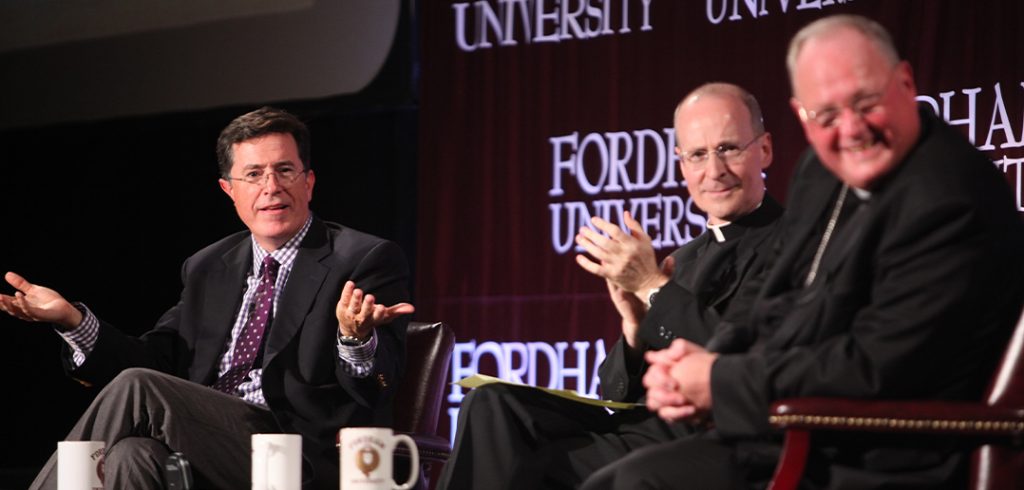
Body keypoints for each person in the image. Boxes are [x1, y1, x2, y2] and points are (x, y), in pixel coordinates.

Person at [583, 14, 1024, 489]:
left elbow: (873, 367)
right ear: (803, 117)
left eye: (867, 102)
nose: (851, 129)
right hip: (794, 426)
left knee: (633, 483)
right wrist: (706, 360)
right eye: (827, 115)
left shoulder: (948, 198)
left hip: (882, 452)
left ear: (906, 82)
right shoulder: (822, 169)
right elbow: (774, 303)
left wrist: (721, 381)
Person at [0, 107, 415, 489]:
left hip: (300, 454)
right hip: (207, 445)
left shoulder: (363, 259)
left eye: (285, 170)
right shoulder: (209, 265)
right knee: (132, 455)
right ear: (228, 189)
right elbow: (154, 361)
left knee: (140, 390)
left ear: (308, 182)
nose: (271, 187)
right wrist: (72, 320)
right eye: (253, 174)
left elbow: (378, 388)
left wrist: (356, 340)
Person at [437, 83, 784, 489]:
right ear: (681, 165)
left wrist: (654, 286)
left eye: (728, 149)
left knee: (521, 460)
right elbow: (613, 390)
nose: (714, 171)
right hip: (640, 428)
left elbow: (739, 360)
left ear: (764, 150)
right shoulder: (684, 258)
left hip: (708, 436)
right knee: (491, 403)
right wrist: (634, 332)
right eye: (697, 155)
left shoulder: (796, 244)